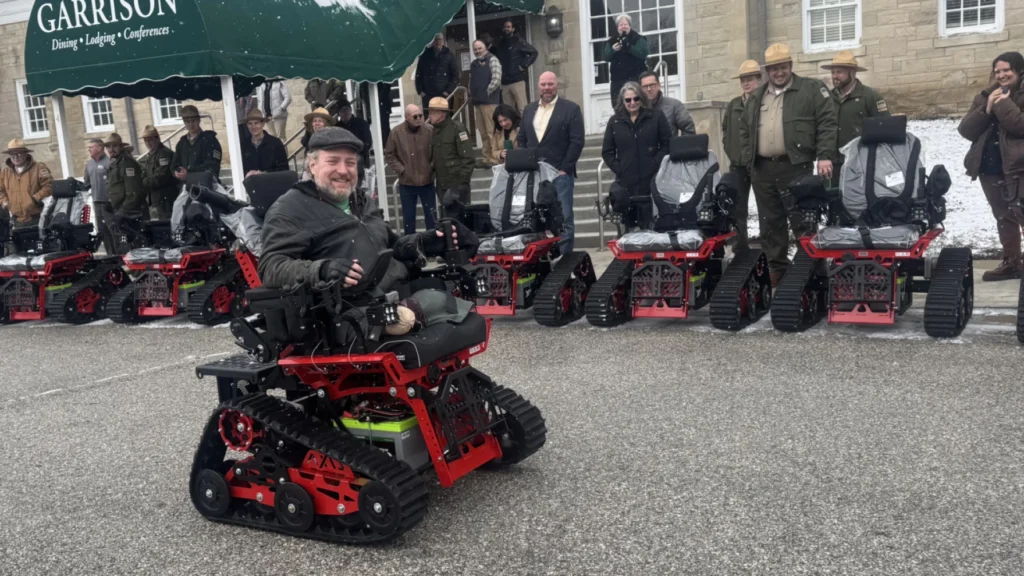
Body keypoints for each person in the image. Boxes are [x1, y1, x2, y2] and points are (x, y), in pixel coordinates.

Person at [258, 126, 476, 293]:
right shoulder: (289, 209)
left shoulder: (360, 200)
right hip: (351, 308)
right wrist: (322, 270)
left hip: (395, 289)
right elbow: (270, 267)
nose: (343, 171)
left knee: (453, 293)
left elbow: (389, 245)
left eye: (350, 163)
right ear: (312, 166)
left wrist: (424, 242)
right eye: (333, 161)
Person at [740, 43, 837, 286]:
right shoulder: (757, 96)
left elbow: (827, 121)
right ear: (767, 71)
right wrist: (747, 159)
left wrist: (824, 154)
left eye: (782, 67)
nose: (779, 73)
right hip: (762, 169)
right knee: (770, 223)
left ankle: (812, 270)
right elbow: (744, 129)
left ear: (791, 66)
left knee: (803, 220)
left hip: (796, 166)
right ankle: (777, 270)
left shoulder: (811, 89)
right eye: (774, 69)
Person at [958, 51, 1024, 281]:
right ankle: (1012, 262)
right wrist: (986, 107)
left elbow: (1020, 125)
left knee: (1021, 212)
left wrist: (1003, 104)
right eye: (997, 71)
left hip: (1018, 167)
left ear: (1018, 70)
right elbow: (965, 130)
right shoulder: (986, 95)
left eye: (1007, 70)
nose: (1002, 75)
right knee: (1003, 215)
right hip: (990, 166)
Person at [518, 72, 585, 253]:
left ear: (557, 85)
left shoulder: (571, 109)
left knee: (564, 219)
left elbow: (577, 141)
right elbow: (522, 139)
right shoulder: (529, 109)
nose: (547, 88)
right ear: (538, 86)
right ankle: (543, 261)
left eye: (550, 84)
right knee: (535, 219)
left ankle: (564, 262)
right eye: (543, 84)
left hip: (559, 174)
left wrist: (564, 168)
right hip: (534, 174)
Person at [601, 82, 671, 228]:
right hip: (627, 183)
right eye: (628, 100)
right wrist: (620, 168)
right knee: (630, 227)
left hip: (652, 179)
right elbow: (607, 152)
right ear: (623, 101)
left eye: (636, 99)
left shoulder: (656, 116)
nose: (632, 103)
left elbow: (667, 144)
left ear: (641, 98)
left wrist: (655, 164)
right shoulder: (615, 122)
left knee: (654, 224)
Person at [823, 51, 889, 187]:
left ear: (852, 72)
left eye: (839, 72)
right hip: (833, 164)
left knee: (858, 201)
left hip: (861, 162)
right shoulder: (827, 98)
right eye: (833, 72)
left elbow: (885, 127)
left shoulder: (870, 97)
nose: (835, 76)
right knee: (834, 202)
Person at [721, 60, 763, 250]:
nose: (746, 83)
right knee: (738, 208)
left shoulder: (765, 101)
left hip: (760, 163)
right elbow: (726, 131)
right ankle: (741, 247)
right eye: (743, 80)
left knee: (765, 207)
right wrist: (731, 151)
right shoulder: (733, 105)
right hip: (737, 164)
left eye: (750, 79)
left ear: (758, 79)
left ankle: (769, 246)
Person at [385, 104, 436, 234]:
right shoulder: (396, 132)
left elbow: (437, 151)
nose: (418, 118)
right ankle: (411, 247)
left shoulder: (429, 130)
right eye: (415, 116)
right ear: (407, 117)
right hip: (407, 183)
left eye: (420, 115)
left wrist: (431, 167)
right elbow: (389, 154)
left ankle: (433, 245)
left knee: (431, 218)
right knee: (409, 219)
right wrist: (402, 170)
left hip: (427, 181)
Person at [427, 97, 475, 207]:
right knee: (447, 220)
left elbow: (468, 158)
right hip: (442, 185)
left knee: (460, 220)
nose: (429, 115)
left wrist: (461, 184)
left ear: (440, 113)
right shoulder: (433, 131)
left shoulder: (457, 128)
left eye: (431, 112)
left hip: (457, 184)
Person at [105, 132, 147, 251]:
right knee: (123, 247)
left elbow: (133, 193)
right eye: (108, 146)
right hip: (120, 211)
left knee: (135, 247)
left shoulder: (127, 163)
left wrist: (122, 212)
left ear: (121, 146)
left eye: (114, 146)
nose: (111, 149)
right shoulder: (115, 163)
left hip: (130, 213)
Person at [0, 138, 53, 229]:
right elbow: (1, 190)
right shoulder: (5, 172)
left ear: (25, 154)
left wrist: (35, 199)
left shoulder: (39, 168)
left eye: (19, 153)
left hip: (38, 218)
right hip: (16, 220)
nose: (15, 157)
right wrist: (4, 201)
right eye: (12, 154)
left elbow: (49, 186)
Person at [602, 14, 649, 107]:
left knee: (637, 103)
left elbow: (643, 54)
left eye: (625, 24)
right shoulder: (612, 41)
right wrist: (613, 50)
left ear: (629, 26)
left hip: (636, 78)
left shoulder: (638, 38)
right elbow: (606, 57)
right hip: (617, 80)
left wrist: (629, 47)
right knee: (618, 105)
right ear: (617, 27)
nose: (623, 26)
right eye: (621, 25)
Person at [493, 19, 538, 114]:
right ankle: (512, 129)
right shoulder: (501, 43)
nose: (506, 29)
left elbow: (534, 53)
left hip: (517, 80)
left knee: (523, 109)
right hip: (505, 82)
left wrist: (523, 65)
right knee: (508, 111)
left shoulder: (518, 41)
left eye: (508, 27)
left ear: (513, 29)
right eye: (505, 27)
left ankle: (526, 128)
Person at [470, 39, 503, 167]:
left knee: (492, 131)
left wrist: (486, 92)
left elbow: (496, 78)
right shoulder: (474, 64)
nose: (477, 51)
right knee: (483, 132)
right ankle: (486, 158)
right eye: (475, 49)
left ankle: (494, 158)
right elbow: (471, 81)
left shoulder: (493, 59)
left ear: (485, 48)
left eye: (479, 48)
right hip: (478, 103)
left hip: (490, 102)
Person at [171, 105, 223, 182]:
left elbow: (213, 165)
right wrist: (178, 172)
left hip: (206, 185)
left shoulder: (210, 140)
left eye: (193, 121)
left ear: (199, 120)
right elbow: (174, 165)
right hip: (188, 186)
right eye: (187, 122)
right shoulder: (182, 143)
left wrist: (189, 173)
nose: (191, 125)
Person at [81, 138, 114, 252]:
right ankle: (110, 255)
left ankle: (120, 254)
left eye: (91, 147)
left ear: (99, 148)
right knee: (102, 230)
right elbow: (86, 183)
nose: (88, 149)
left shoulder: (109, 162)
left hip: (109, 202)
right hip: (96, 201)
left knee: (113, 228)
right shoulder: (89, 164)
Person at [639, 71, 695, 136]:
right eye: (645, 86)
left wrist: (679, 145)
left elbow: (689, 129)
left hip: (669, 145)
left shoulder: (674, 105)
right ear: (641, 88)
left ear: (659, 85)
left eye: (652, 85)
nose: (649, 89)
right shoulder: (637, 108)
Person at [139, 125, 177, 220]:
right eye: (146, 141)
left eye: (150, 140)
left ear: (157, 138)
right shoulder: (151, 155)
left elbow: (160, 177)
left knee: (166, 226)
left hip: (166, 200)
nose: (148, 143)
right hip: (156, 200)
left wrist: (140, 183)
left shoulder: (164, 154)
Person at [415, 34, 460, 110]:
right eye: (435, 40)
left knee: (445, 117)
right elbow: (418, 74)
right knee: (429, 119)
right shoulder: (425, 56)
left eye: (440, 39)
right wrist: (421, 91)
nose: (438, 42)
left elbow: (455, 75)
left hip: (444, 94)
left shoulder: (449, 55)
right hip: (428, 95)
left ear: (443, 41)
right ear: (432, 41)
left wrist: (448, 91)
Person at [240, 109, 289, 177]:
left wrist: (264, 174)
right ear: (247, 125)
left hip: (271, 185)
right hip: (250, 186)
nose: (253, 127)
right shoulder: (244, 145)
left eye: (256, 123)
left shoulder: (275, 143)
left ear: (262, 124)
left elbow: (284, 169)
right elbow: (240, 168)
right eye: (250, 123)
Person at [335, 99, 372, 167]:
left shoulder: (362, 124)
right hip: (343, 156)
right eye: (343, 111)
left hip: (360, 155)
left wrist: (355, 151)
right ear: (339, 113)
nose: (346, 112)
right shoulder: (337, 127)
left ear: (351, 110)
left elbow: (368, 143)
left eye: (347, 109)